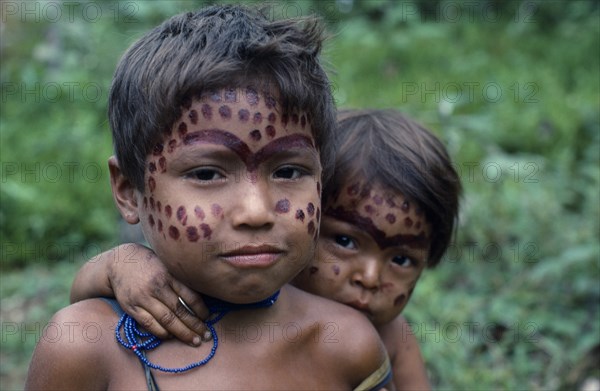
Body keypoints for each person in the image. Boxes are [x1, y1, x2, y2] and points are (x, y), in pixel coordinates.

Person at [25, 5, 393, 391]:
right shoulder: (86, 349)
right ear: (128, 191)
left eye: (288, 171)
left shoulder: (349, 346)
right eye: (206, 174)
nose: (255, 211)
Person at [70, 109, 462, 390]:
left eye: (402, 259)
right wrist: (120, 263)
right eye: (344, 241)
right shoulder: (239, 274)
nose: (370, 278)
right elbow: (87, 312)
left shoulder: (389, 338)